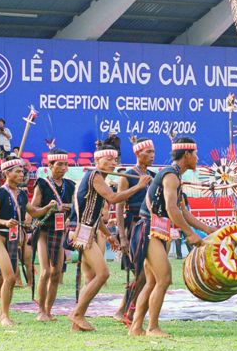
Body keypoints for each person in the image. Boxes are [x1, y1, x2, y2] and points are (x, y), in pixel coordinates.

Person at [127, 138, 213, 337]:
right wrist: (190, 234)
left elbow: (185, 213)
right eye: (196, 154)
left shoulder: (175, 177)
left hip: (156, 230)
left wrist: (207, 230)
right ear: (187, 155)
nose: (197, 158)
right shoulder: (171, 176)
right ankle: (152, 327)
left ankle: (136, 327)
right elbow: (171, 208)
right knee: (164, 279)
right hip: (149, 229)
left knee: (151, 282)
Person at [63, 146, 150, 332]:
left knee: (91, 277)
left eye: (115, 160)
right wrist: (139, 186)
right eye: (108, 160)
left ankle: (76, 325)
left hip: (86, 229)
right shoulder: (95, 176)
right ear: (97, 161)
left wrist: (109, 235)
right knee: (103, 274)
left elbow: (93, 212)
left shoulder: (95, 177)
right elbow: (113, 198)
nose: (113, 163)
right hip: (83, 232)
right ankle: (77, 313)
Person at [0, 157, 54, 327]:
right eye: (17, 171)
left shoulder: (22, 194)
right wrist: (5, 222)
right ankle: (4, 315)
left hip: (15, 239)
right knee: (9, 277)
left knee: (8, 278)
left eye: (22, 171)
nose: (21, 174)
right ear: (7, 174)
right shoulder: (0, 193)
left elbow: (35, 212)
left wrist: (49, 207)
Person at [30, 149, 75, 322]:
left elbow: (75, 208)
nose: (63, 168)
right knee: (46, 271)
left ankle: (49, 310)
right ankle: (41, 311)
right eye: (59, 164)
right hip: (43, 230)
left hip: (59, 231)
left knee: (56, 272)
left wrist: (68, 214)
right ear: (50, 166)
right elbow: (33, 210)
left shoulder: (70, 185)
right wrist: (50, 207)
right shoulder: (42, 184)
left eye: (65, 164)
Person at [114, 138, 155, 323]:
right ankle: (125, 310)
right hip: (133, 225)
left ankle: (127, 309)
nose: (152, 156)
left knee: (146, 272)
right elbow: (120, 207)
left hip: (150, 226)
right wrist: (122, 236)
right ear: (138, 154)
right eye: (149, 152)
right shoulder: (128, 176)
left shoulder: (154, 176)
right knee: (138, 271)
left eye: (153, 152)